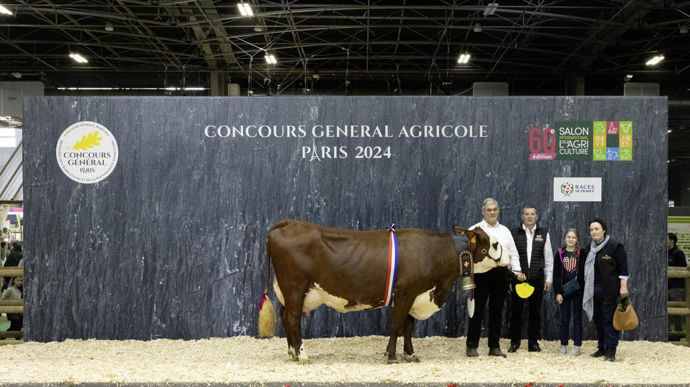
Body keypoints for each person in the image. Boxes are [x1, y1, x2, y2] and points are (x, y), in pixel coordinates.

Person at [466, 198, 524, 358]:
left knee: (497, 312)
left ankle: (494, 347)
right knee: (476, 311)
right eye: (489, 210)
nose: (492, 212)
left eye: (495, 209)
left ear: (498, 210)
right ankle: (471, 346)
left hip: (500, 275)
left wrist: (516, 273)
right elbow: (466, 255)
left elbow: (513, 253)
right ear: (483, 211)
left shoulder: (505, 231)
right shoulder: (474, 230)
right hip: (480, 275)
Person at [579, 219, 629, 362]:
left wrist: (623, 286)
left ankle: (611, 350)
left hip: (610, 291)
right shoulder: (589, 248)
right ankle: (601, 347)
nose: (594, 232)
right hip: (593, 291)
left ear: (604, 230)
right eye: (591, 230)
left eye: (596, 229)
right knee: (598, 320)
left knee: (609, 320)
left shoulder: (615, 247)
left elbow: (624, 269)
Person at [508, 205, 553, 353]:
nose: (529, 216)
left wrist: (549, 279)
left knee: (535, 313)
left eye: (532, 214)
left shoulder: (543, 233)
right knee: (516, 312)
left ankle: (533, 343)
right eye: (526, 214)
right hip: (518, 279)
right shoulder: (513, 233)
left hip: (537, 279)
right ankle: (515, 342)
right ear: (522, 216)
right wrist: (511, 277)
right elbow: (509, 258)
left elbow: (548, 259)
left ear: (537, 216)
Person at [553, 228, 583, 356]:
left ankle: (576, 346)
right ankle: (563, 345)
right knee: (564, 319)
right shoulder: (560, 253)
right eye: (568, 237)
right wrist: (558, 292)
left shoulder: (581, 254)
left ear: (577, 240)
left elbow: (583, 273)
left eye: (573, 237)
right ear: (565, 239)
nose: (571, 239)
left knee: (577, 319)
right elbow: (556, 275)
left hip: (578, 291)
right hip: (564, 292)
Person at [668, 233, 687, 331]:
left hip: (676, 288)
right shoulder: (664, 253)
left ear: (672, 241)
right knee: (666, 312)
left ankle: (678, 333)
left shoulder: (678, 253)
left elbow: (683, 269)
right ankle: (668, 332)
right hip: (665, 287)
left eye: (666, 239)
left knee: (677, 312)